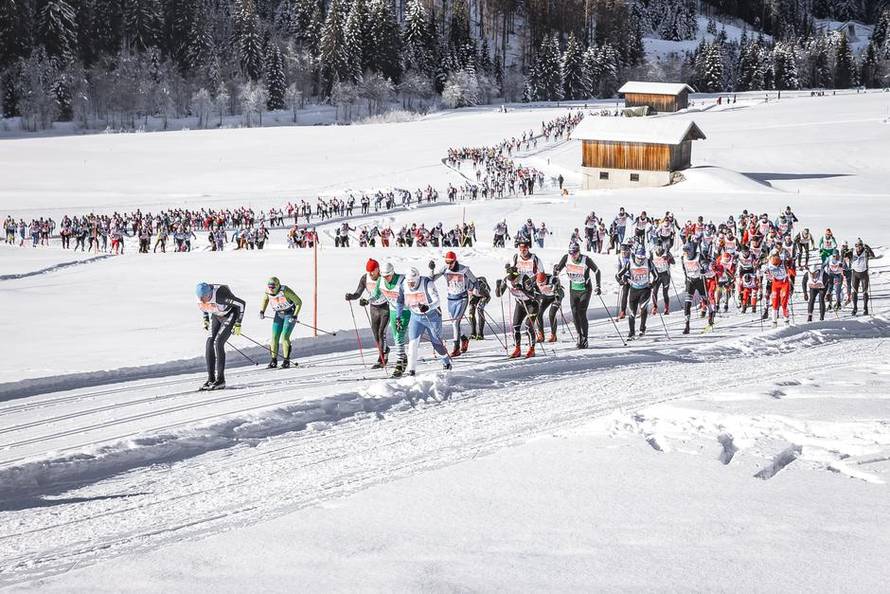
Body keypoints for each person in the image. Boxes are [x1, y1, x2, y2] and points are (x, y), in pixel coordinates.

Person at [395, 267, 453, 376]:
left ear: (417, 279)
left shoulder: (427, 283)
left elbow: (437, 301)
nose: (411, 285)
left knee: (437, 344)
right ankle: (411, 370)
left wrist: (428, 307)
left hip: (432, 317)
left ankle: (446, 362)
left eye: (413, 282)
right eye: (409, 282)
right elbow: (399, 302)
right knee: (412, 343)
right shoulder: (403, 285)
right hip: (416, 317)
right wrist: (398, 317)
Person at [196, 282, 246, 390]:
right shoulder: (201, 298)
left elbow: (241, 304)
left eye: (205, 297)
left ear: (210, 293)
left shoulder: (220, 295)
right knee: (209, 343)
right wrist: (205, 319)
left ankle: (221, 380)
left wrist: (238, 323)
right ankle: (211, 379)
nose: (203, 300)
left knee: (218, 343)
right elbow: (204, 308)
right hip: (216, 315)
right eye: (201, 298)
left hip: (230, 314)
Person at [553, 242, 601, 349]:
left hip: (585, 289)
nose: (573, 255)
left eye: (575, 253)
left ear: (579, 252)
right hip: (573, 289)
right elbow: (557, 270)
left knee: (581, 313)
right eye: (571, 253)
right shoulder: (566, 258)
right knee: (575, 313)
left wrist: (598, 286)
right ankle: (579, 335)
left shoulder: (585, 259)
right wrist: (555, 271)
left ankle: (585, 338)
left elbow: (597, 271)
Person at [345, 259, 390, 369]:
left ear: (377, 269)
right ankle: (385, 350)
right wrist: (351, 296)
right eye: (369, 271)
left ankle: (382, 359)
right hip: (373, 308)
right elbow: (358, 292)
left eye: (372, 271)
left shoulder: (383, 277)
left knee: (381, 333)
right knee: (376, 335)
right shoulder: (365, 278)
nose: (370, 273)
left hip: (385, 307)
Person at [430, 251, 477, 357]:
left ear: (455, 261)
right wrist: (432, 269)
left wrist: (474, 294)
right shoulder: (444, 269)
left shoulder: (464, 269)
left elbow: (475, 281)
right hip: (451, 298)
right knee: (454, 323)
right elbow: (431, 280)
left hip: (462, 298)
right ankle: (464, 339)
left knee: (455, 322)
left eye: (451, 262)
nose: (449, 264)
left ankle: (456, 348)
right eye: (447, 262)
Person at [496, 264, 540, 358]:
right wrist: (498, 286)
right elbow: (499, 294)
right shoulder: (507, 280)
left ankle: (532, 349)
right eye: (511, 279)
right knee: (516, 326)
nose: (513, 281)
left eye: (515, 279)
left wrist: (522, 290)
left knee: (528, 326)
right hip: (520, 304)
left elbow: (534, 296)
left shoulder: (524, 279)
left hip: (531, 304)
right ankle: (517, 349)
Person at [259, 277, 302, 368]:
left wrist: (295, 315)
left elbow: (298, 302)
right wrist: (262, 311)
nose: (271, 289)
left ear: (278, 285)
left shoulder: (285, 291)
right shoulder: (267, 291)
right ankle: (273, 361)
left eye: (273, 287)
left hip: (289, 313)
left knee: (285, 336)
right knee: (274, 337)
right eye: (270, 287)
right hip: (278, 314)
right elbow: (265, 299)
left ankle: (286, 361)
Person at [377, 262, 410, 377]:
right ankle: (403, 358)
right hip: (392, 310)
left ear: (392, 273)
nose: (385, 278)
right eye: (384, 276)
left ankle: (400, 364)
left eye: (388, 276)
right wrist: (367, 300)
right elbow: (376, 294)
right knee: (396, 337)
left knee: (399, 335)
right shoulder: (381, 280)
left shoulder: (402, 280)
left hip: (405, 311)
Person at [617, 246, 656, 340]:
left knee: (643, 308)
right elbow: (618, 275)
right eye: (639, 258)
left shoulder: (648, 262)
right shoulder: (629, 263)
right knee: (632, 313)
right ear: (635, 256)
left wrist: (652, 284)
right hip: (634, 290)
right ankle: (632, 333)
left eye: (642, 258)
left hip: (645, 289)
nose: (640, 260)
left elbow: (657, 276)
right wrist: (620, 281)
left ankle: (642, 328)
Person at [681, 242, 715, 335]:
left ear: (692, 250)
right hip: (690, 281)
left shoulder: (698, 256)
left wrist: (704, 269)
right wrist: (686, 279)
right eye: (685, 251)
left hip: (699, 280)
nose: (686, 253)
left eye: (687, 251)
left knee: (705, 299)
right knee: (687, 304)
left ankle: (711, 313)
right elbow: (684, 269)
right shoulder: (683, 258)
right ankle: (687, 326)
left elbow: (705, 264)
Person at [534, 271, 564, 343]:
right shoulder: (535, 279)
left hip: (556, 296)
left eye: (543, 283)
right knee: (538, 313)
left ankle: (553, 335)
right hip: (546, 297)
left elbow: (559, 287)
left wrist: (556, 288)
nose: (541, 284)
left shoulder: (552, 279)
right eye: (540, 283)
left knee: (551, 314)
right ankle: (541, 335)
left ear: (546, 279)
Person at [764, 254, 791, 326]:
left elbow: (790, 265)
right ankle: (774, 321)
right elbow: (764, 273)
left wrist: (790, 264)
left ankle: (786, 319)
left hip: (784, 283)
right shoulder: (768, 265)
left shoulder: (784, 263)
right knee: (774, 302)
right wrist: (766, 274)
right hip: (775, 284)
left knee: (784, 302)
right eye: (774, 265)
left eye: (777, 265)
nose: (776, 266)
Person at [650, 245, 675, 315]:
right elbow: (649, 263)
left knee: (665, 293)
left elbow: (673, 262)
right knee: (654, 292)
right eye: (658, 253)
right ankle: (655, 307)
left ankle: (666, 308)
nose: (659, 254)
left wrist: (668, 258)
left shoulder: (667, 253)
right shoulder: (653, 254)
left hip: (665, 275)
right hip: (657, 276)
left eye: (661, 252)